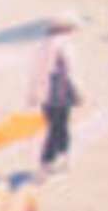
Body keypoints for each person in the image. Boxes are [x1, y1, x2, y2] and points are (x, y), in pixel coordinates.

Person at [34, 37, 80, 175]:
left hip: (54, 103)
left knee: (58, 130)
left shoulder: (46, 67)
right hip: (56, 103)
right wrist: (76, 96)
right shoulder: (59, 70)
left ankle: (58, 159)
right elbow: (70, 83)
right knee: (57, 130)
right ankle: (51, 161)